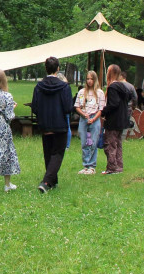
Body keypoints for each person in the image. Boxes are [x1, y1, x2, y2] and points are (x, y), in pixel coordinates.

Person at [32, 57, 73, 193]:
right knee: (57, 154)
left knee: (48, 153)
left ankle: (52, 181)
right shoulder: (64, 87)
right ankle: (46, 181)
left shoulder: (39, 87)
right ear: (58, 69)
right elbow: (68, 107)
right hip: (59, 123)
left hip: (45, 124)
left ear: (45, 68)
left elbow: (35, 107)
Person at [102, 65, 134, 174]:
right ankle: (119, 166)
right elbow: (130, 97)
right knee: (118, 143)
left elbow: (113, 104)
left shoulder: (112, 87)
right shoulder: (124, 87)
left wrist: (103, 111)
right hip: (123, 119)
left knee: (110, 144)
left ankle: (112, 167)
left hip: (113, 120)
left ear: (110, 73)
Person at [74, 70, 106, 174]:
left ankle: (92, 165)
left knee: (92, 142)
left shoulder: (100, 93)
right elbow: (77, 106)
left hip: (94, 118)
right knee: (84, 142)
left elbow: (101, 109)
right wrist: (83, 114)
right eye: (87, 79)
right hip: (84, 118)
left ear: (95, 80)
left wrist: (94, 118)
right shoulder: (82, 92)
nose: (89, 81)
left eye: (91, 79)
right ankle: (85, 165)